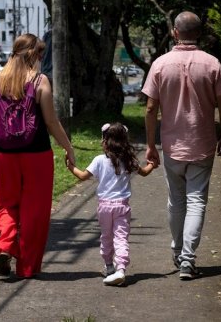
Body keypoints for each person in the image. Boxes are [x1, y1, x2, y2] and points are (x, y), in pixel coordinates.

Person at [0, 33, 75, 279]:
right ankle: (27, 267)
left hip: (4, 155)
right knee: (35, 209)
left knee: (7, 204)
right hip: (36, 156)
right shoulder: (41, 81)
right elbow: (51, 122)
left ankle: (6, 244)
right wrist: (68, 148)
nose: (42, 59)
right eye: (40, 54)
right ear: (34, 55)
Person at [142, 11, 221, 280]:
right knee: (196, 202)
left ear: (175, 33)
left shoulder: (160, 64)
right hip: (202, 144)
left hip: (172, 145)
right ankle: (188, 259)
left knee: (176, 201)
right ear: (200, 34)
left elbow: (150, 108)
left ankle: (178, 249)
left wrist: (150, 145)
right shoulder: (212, 64)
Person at [66, 122, 155, 286]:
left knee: (106, 237)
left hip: (104, 207)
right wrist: (152, 164)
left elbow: (83, 176)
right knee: (121, 238)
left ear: (105, 141)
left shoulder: (99, 160)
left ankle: (109, 267)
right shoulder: (129, 160)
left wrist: (70, 166)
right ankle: (120, 268)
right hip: (122, 206)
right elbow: (144, 172)